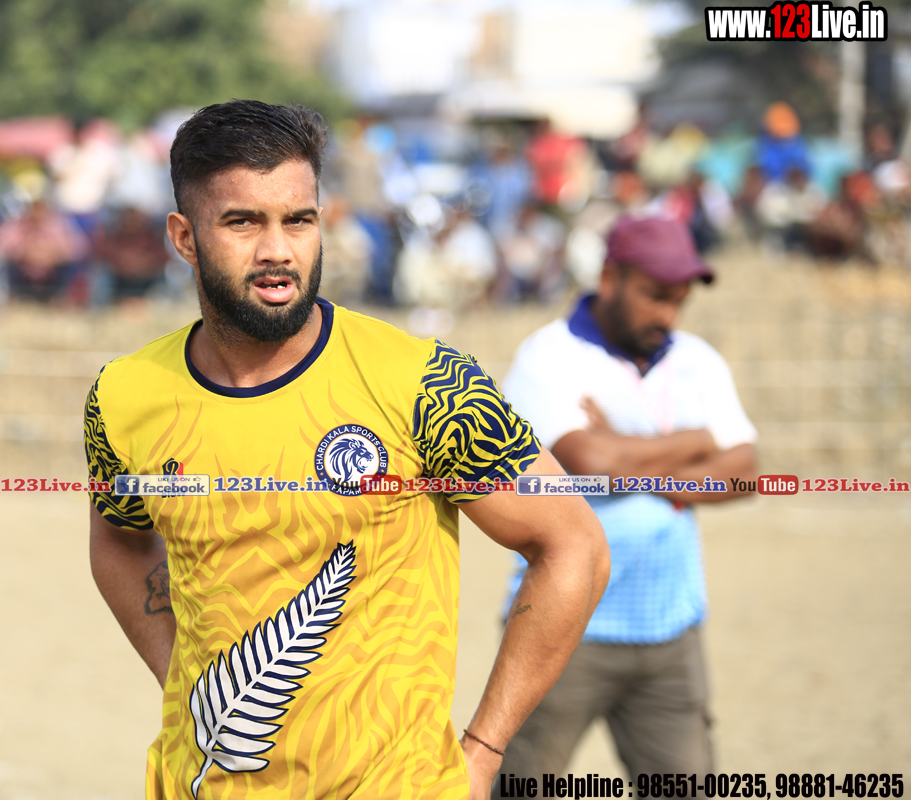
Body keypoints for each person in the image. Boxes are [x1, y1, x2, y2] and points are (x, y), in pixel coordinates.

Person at [84, 100, 610, 800]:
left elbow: (574, 546)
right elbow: (119, 541)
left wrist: (483, 753)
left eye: (298, 220)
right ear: (184, 237)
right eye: (243, 222)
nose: (278, 251)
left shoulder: (426, 382)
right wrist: (183, 676)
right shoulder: (123, 396)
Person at [495, 216, 758, 793]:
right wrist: (695, 442)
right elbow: (590, 464)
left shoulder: (697, 359)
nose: (668, 314)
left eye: (679, 300)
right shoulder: (547, 356)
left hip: (670, 630)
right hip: (559, 627)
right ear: (610, 277)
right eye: (655, 295)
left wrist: (623, 446)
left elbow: (744, 471)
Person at [0, 183, 88, 304]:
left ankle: (58, 300)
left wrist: (52, 256)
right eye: (34, 208)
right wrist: (23, 254)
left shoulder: (59, 224)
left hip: (51, 272)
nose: (37, 213)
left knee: (71, 266)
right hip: (23, 271)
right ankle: (12, 299)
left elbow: (78, 249)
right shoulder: (16, 224)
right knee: (4, 264)